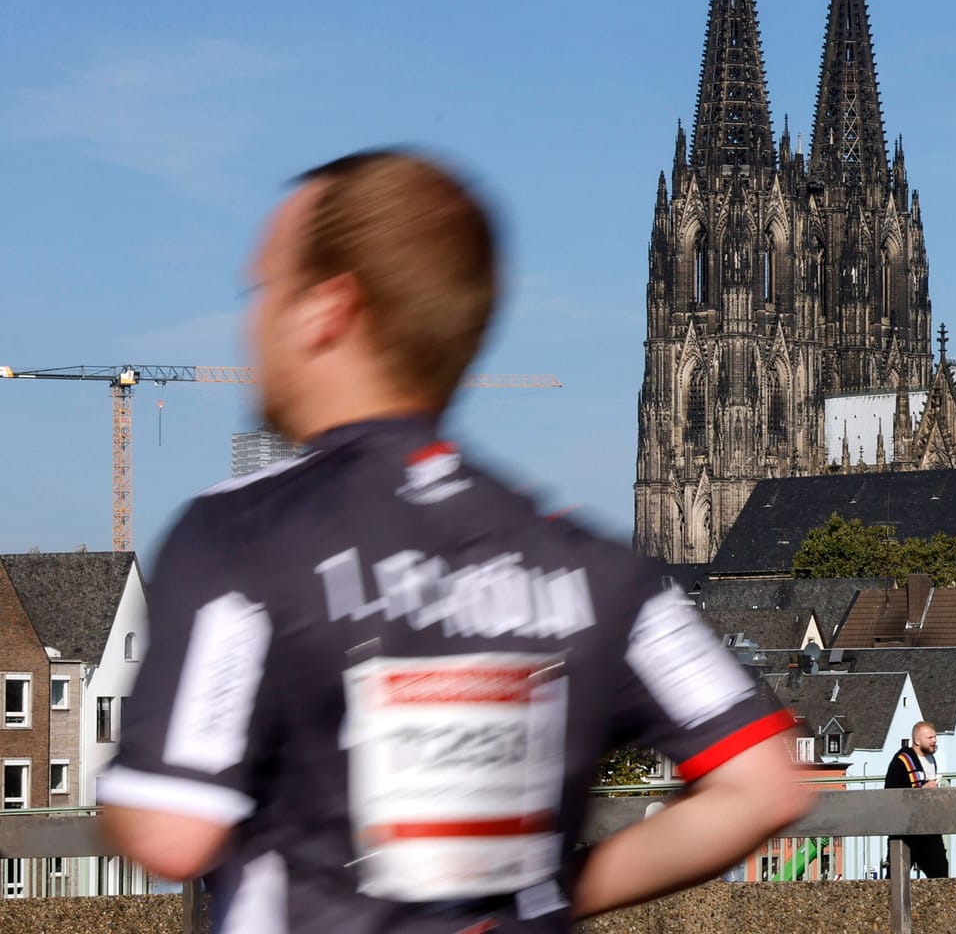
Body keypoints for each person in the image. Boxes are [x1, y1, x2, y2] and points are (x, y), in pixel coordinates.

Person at [95, 150, 812, 932]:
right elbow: (765, 787)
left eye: (265, 289)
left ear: (329, 309)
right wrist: (554, 895)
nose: (251, 319)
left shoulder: (241, 537)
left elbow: (172, 832)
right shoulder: (599, 570)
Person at [884, 722, 948, 878]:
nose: (934, 741)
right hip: (906, 830)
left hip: (928, 827)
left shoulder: (931, 759)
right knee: (896, 875)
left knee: (940, 872)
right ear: (917, 740)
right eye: (930, 738)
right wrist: (921, 791)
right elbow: (892, 793)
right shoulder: (902, 761)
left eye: (935, 737)